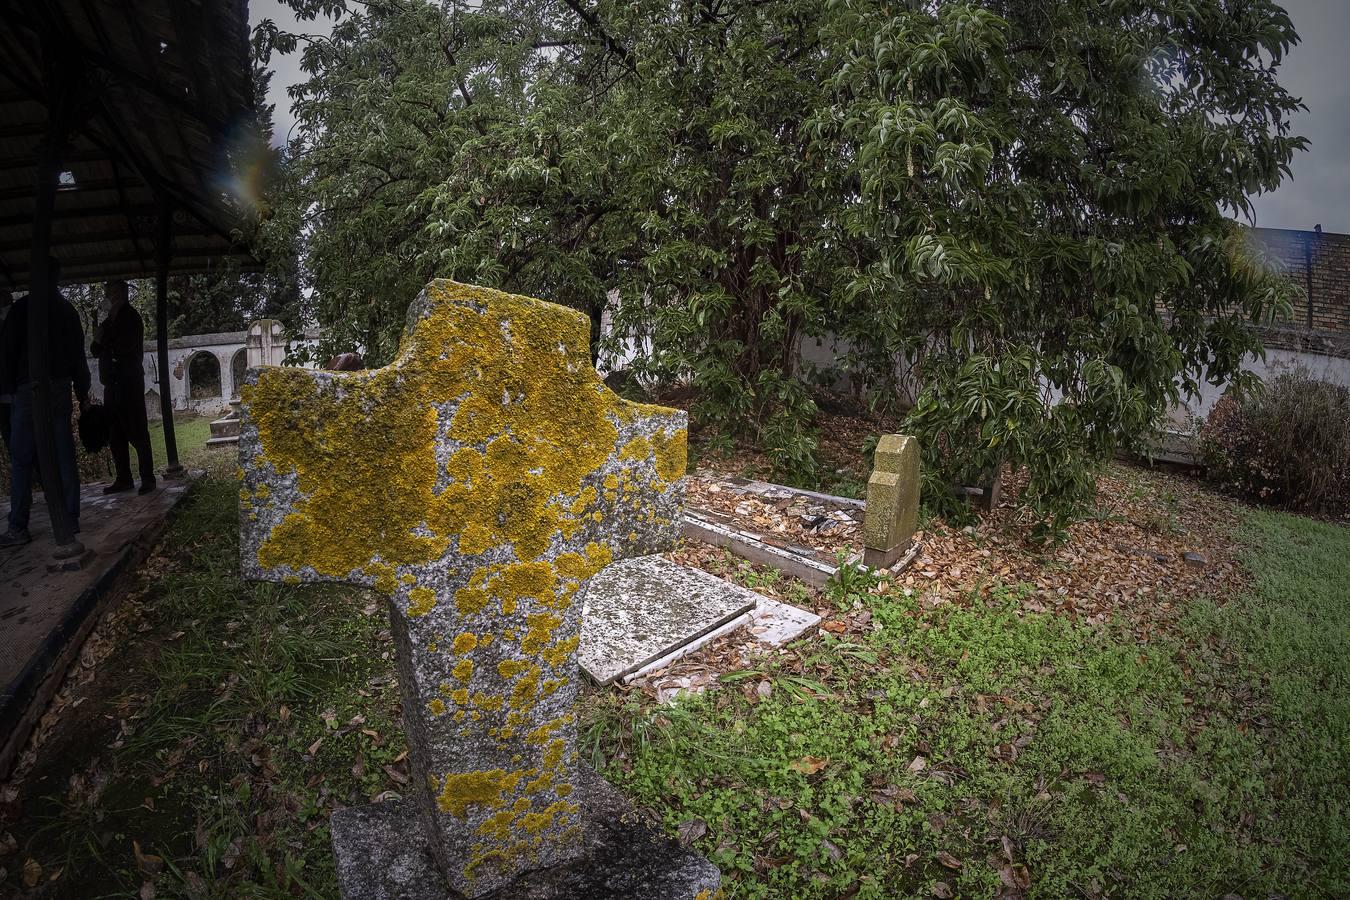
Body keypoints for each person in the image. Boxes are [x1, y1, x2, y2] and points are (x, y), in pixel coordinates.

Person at [0, 258, 91, 547]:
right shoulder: (66, 311)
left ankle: (18, 527)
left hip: (28, 390)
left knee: (22, 458)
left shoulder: (21, 309)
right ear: (57, 278)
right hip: (60, 387)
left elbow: (7, 354)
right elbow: (79, 355)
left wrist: (8, 391)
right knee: (63, 453)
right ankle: (70, 518)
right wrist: (82, 390)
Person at [90, 280, 155, 495]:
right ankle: (124, 478)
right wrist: (99, 336)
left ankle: (147, 478)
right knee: (115, 434)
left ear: (121, 294)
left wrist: (104, 339)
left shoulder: (131, 318)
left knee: (137, 431)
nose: (109, 297)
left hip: (129, 383)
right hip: (111, 384)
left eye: (112, 293)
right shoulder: (108, 321)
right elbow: (96, 349)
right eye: (108, 293)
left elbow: (123, 348)